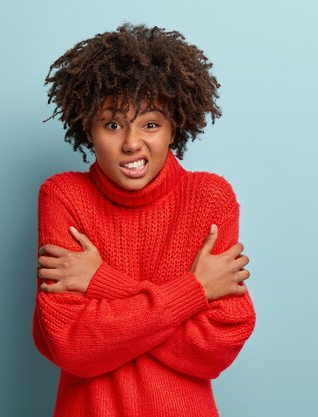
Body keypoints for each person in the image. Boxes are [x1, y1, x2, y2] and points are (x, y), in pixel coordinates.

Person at [33, 22, 256, 417]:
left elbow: (218, 345)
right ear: (88, 126)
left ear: (175, 127)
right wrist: (195, 290)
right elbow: (72, 345)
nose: (132, 143)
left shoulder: (210, 199)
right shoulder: (64, 196)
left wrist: (102, 282)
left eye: (150, 124)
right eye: (113, 124)